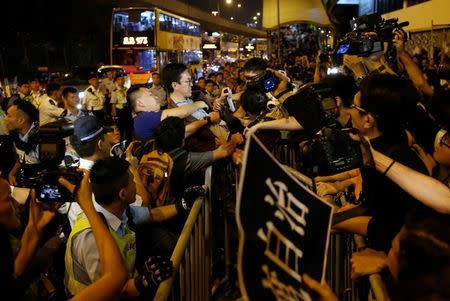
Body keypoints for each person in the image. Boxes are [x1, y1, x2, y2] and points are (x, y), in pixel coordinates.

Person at [64, 157, 173, 298]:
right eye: (133, 181)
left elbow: (151, 215)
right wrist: (142, 282)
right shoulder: (90, 238)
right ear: (122, 194)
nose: (136, 185)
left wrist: (182, 205)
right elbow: (110, 291)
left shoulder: (118, 211)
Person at [128, 85, 209, 140]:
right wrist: (199, 104)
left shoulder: (144, 117)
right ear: (140, 103)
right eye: (150, 95)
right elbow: (183, 112)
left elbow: (181, 133)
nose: (156, 97)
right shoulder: (145, 118)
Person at [5, 100, 40, 185]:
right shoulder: (16, 136)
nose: (5, 119)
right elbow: (22, 158)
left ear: (21, 120)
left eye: (9, 116)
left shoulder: (41, 139)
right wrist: (12, 173)